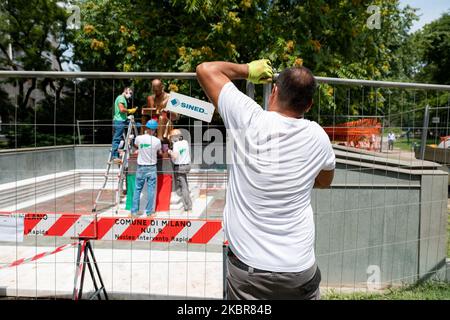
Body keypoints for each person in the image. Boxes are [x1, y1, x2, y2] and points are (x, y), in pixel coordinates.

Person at [196, 59, 335, 300]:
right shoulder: (318, 137)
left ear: (274, 91)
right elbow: (324, 180)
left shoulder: (248, 119)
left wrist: (247, 70)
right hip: (299, 270)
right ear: (309, 105)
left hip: (250, 274)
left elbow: (205, 70)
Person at [130, 119, 161, 217]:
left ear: (146, 128)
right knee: (151, 190)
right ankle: (149, 213)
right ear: (155, 130)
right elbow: (159, 151)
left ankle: (134, 212)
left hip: (141, 168)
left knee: (137, 189)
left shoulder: (139, 138)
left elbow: (136, 145)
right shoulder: (157, 141)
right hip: (151, 168)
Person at [168, 129, 192, 213]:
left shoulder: (176, 145)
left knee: (183, 187)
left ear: (174, 137)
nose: (171, 139)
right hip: (187, 165)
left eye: (171, 137)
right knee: (185, 183)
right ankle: (187, 201)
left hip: (180, 167)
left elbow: (175, 156)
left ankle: (188, 206)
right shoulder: (185, 142)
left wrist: (169, 151)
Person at [112, 87, 137, 163]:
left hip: (122, 120)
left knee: (137, 125)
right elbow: (121, 109)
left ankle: (129, 137)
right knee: (117, 138)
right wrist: (130, 110)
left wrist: (127, 116)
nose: (130, 95)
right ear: (126, 91)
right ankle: (114, 156)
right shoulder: (121, 98)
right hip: (119, 121)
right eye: (130, 93)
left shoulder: (122, 99)